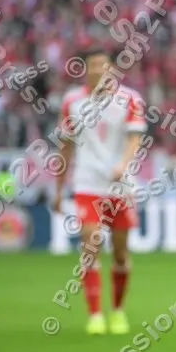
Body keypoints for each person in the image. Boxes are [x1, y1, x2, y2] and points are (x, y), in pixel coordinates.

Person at [52, 47, 145, 336]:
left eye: (102, 66)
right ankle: (95, 315)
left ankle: (117, 310)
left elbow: (135, 138)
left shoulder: (130, 99)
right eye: (92, 65)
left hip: (120, 185)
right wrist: (59, 189)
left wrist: (124, 164)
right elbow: (65, 146)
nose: (97, 70)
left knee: (119, 252)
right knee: (91, 242)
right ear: (85, 70)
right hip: (87, 182)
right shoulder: (72, 102)